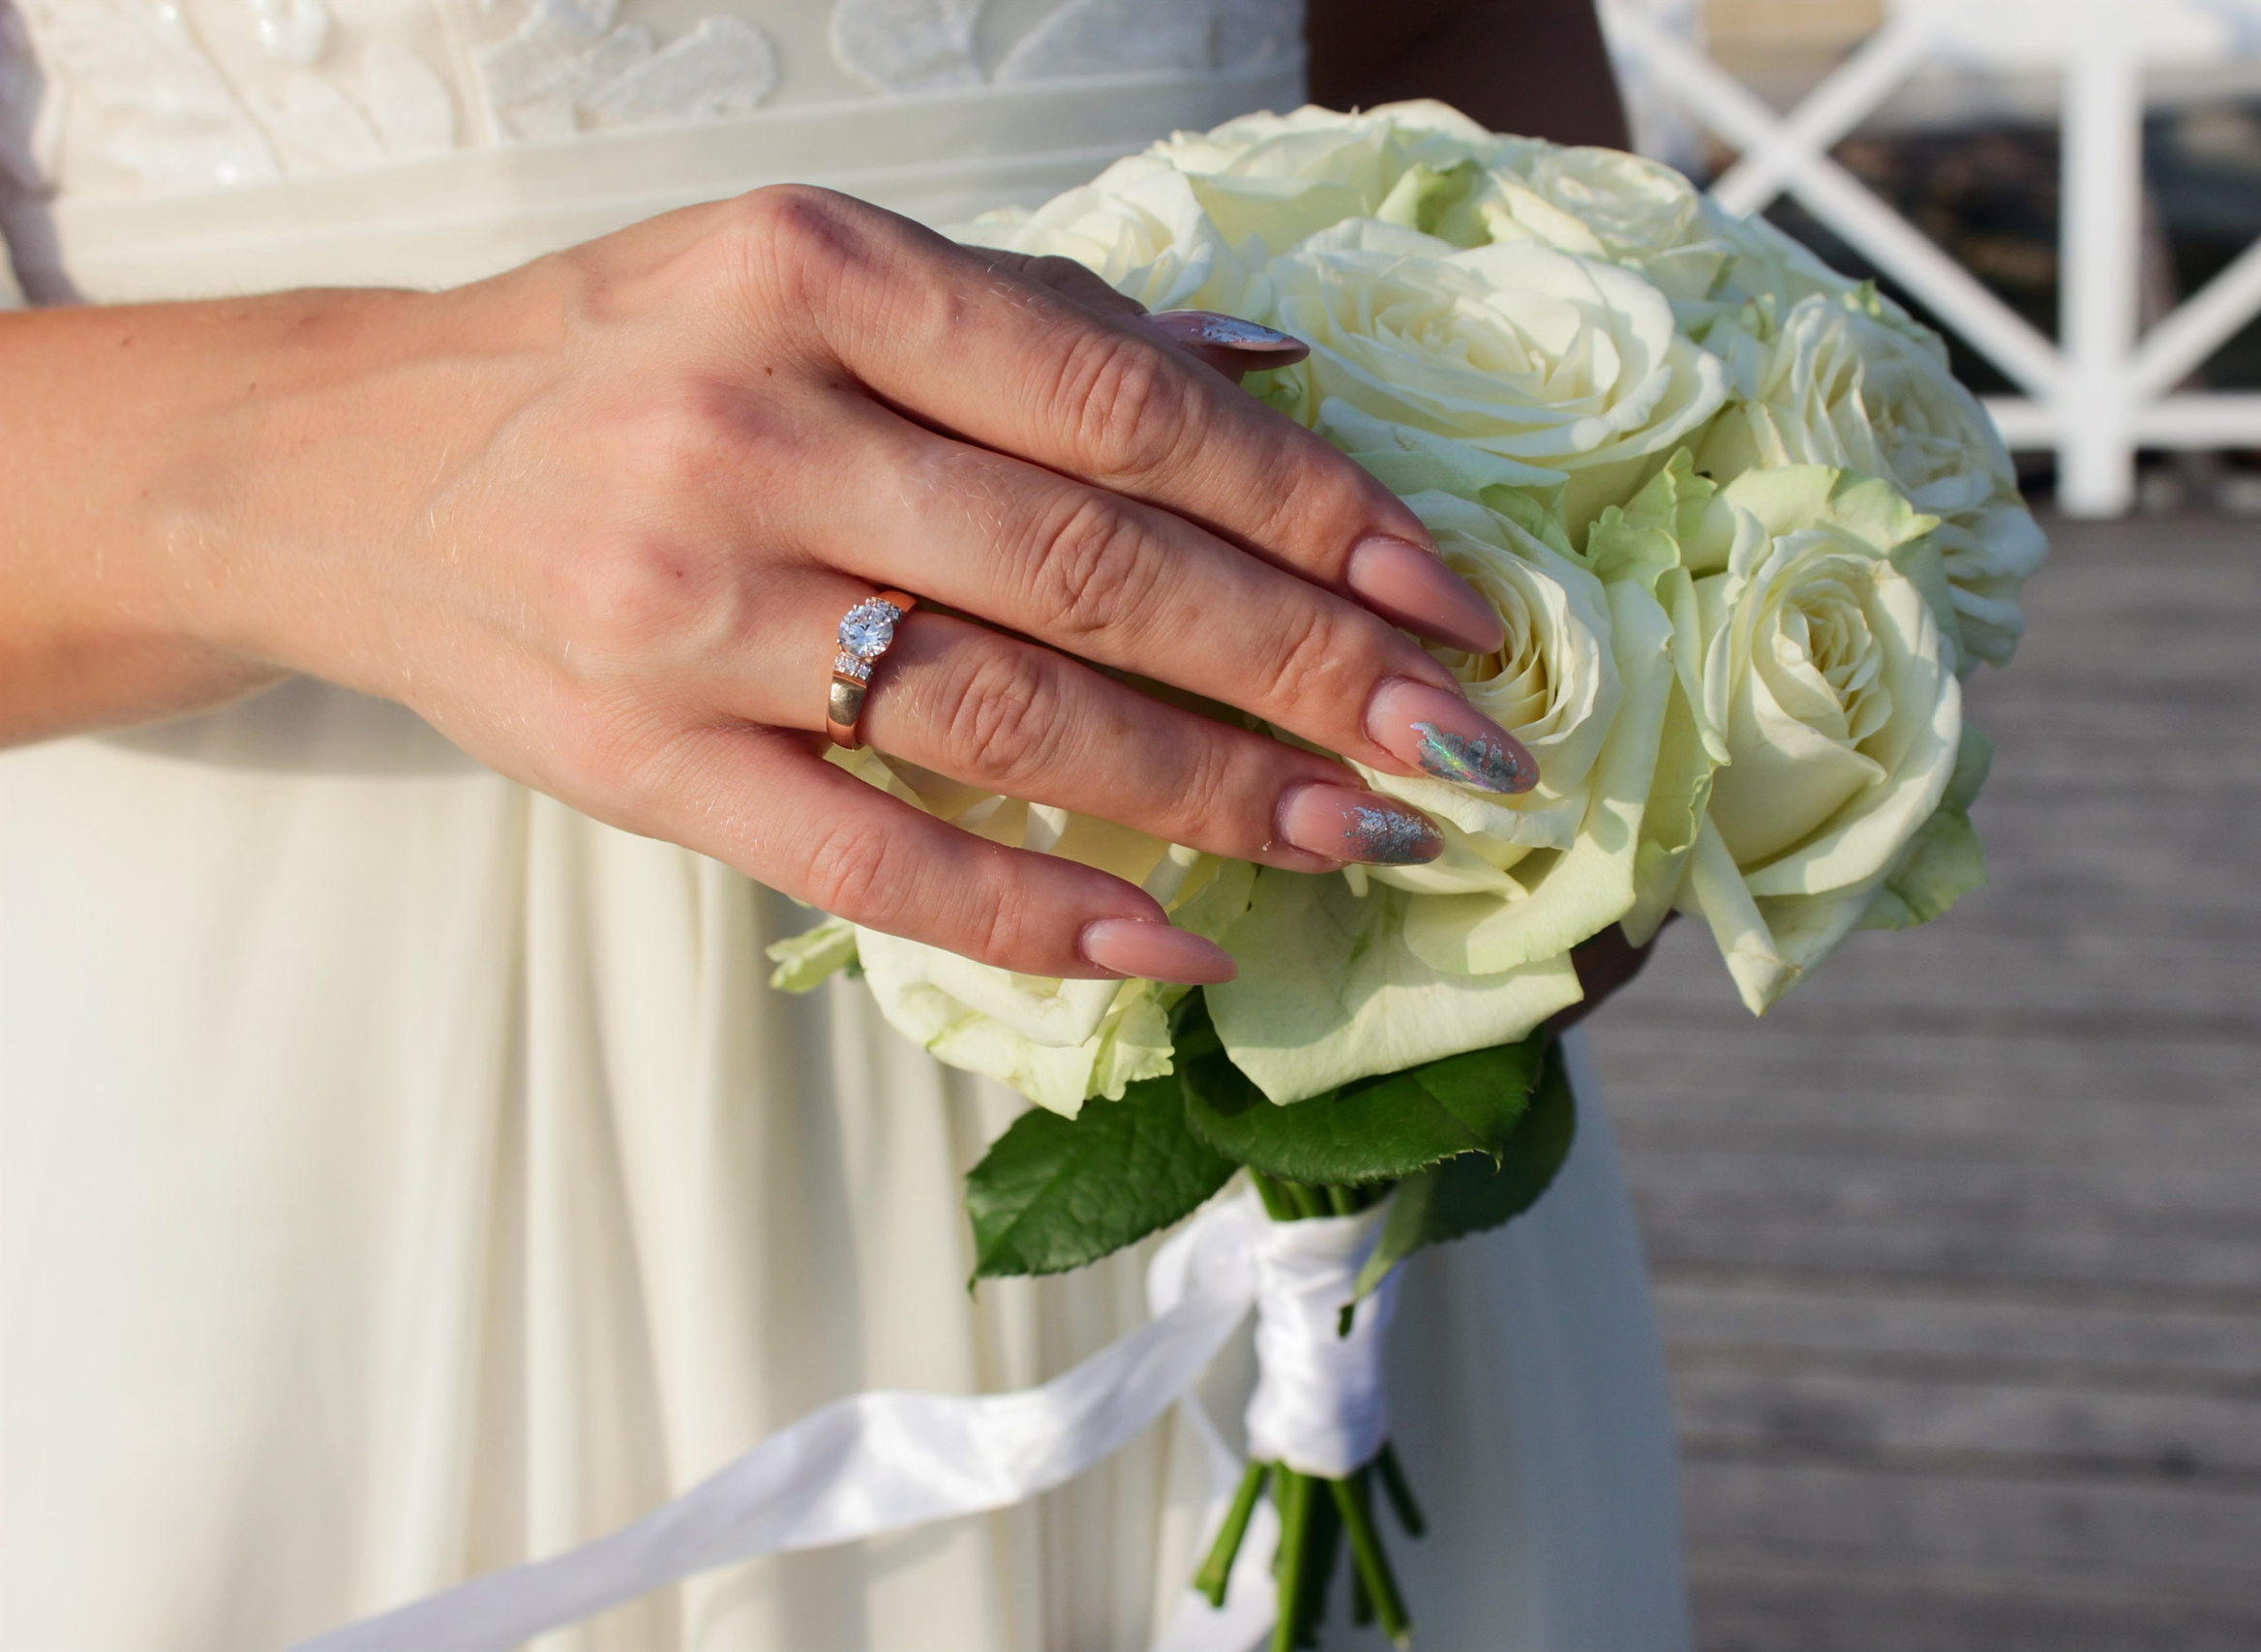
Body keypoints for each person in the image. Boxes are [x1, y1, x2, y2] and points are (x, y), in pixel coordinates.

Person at [0, 1, 1693, 1646]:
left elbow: (1448, 43)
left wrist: (1608, 603)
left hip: (1294, 992)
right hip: (331, 1082)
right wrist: (369, 463)